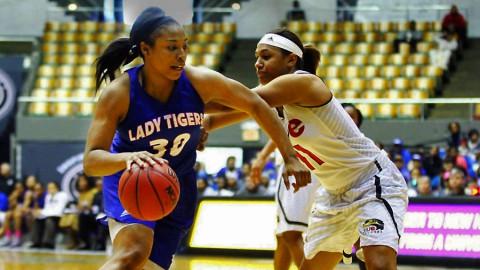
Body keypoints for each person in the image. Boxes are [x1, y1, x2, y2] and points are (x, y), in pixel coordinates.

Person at [82, 7, 310, 270]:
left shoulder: (199, 81)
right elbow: (91, 161)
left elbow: (256, 103)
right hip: (131, 178)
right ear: (146, 49)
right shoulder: (119, 93)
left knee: (150, 267)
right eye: (171, 47)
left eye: (184, 47)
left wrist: (290, 157)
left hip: (177, 183)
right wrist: (129, 158)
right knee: (132, 254)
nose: (181, 55)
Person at [203, 28, 408, 270]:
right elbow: (213, 119)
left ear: (291, 60)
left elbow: (229, 104)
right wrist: (196, 126)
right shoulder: (266, 104)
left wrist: (180, 98)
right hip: (333, 193)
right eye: (256, 57)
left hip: (372, 181)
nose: (258, 64)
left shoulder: (304, 82)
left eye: (266, 57)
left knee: (380, 264)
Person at [29, 181, 69, 249]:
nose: (49, 190)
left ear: (57, 188)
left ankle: (48, 243)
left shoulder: (63, 195)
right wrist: (39, 212)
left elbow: (58, 211)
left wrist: (42, 212)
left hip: (61, 217)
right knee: (37, 219)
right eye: (48, 188)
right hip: (49, 216)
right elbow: (47, 209)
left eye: (52, 188)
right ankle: (36, 242)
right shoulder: (48, 196)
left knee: (49, 221)